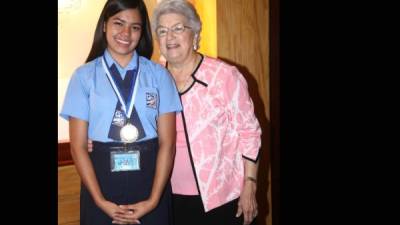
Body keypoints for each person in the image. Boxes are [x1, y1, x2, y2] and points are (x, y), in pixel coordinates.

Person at [60, 0, 182, 224]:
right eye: (119, 23)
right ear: (104, 25)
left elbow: (168, 144)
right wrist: (99, 201)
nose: (126, 33)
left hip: (150, 178)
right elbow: (77, 147)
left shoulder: (159, 76)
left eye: (135, 27)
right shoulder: (83, 77)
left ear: (142, 32)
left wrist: (154, 201)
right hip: (101, 181)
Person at [150, 1, 262, 225]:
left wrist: (250, 182)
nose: (170, 36)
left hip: (221, 199)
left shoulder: (224, 76)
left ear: (194, 33)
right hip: (166, 196)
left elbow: (249, 132)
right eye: (162, 30)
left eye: (178, 28)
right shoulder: (151, 79)